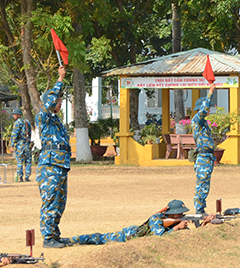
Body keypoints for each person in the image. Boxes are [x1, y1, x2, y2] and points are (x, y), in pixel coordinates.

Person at [66, 199, 215, 245]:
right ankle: (71, 240)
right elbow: (158, 238)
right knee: (96, 239)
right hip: (126, 236)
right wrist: (176, 229)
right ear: (171, 213)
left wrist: (204, 224)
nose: (182, 215)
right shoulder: (156, 219)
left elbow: (190, 239)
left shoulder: (177, 223)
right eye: (180, 214)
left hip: (135, 239)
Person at [37, 66, 71, 248]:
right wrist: (60, 79)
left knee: (59, 202)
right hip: (49, 166)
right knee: (50, 201)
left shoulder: (56, 121)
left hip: (60, 166)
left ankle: (55, 235)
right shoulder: (43, 116)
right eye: (57, 100)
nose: (59, 103)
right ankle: (48, 238)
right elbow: (49, 104)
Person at [192, 82, 216, 214]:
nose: (209, 110)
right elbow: (203, 110)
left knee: (205, 184)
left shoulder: (204, 123)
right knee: (202, 184)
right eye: (207, 108)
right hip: (203, 157)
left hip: (207, 157)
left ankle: (201, 208)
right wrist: (210, 92)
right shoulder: (197, 120)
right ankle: (199, 209)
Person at [10, 107, 32, 182]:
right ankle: (27, 177)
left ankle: (20, 178)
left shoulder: (17, 123)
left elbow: (14, 135)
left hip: (20, 144)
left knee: (20, 161)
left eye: (14, 114)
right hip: (27, 143)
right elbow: (30, 132)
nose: (13, 116)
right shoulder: (27, 122)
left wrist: (12, 145)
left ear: (18, 115)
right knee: (28, 161)